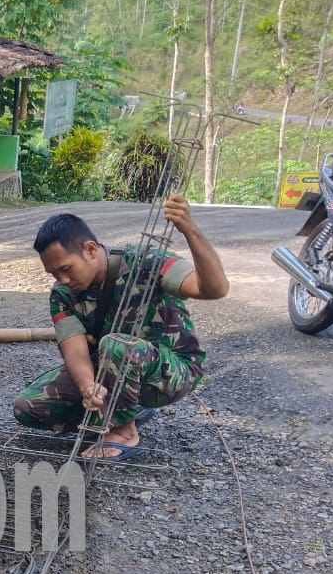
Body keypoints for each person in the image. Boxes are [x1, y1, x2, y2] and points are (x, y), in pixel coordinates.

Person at [12, 194, 229, 459]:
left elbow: (215, 289)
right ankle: (124, 409)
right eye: (54, 274)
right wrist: (87, 388)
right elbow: (75, 352)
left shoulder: (147, 262)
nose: (62, 279)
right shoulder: (63, 295)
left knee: (115, 344)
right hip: (110, 368)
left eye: (66, 269)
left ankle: (124, 429)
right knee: (27, 406)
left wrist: (191, 231)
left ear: (90, 249)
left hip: (171, 372)